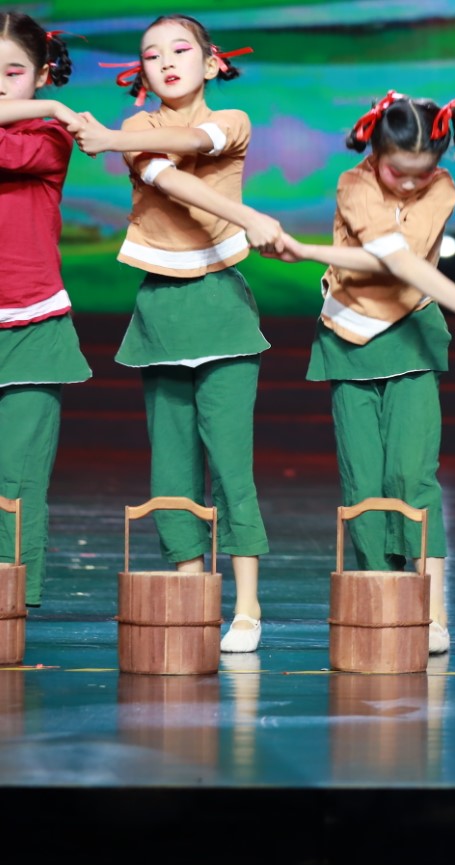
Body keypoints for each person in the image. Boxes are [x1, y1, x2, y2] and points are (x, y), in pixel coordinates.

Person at [264, 91, 455, 655]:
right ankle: (379, 595)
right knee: (363, 480)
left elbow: (399, 262)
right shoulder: (353, 184)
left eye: (420, 174)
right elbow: (382, 255)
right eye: (396, 171)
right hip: (348, 336)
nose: (407, 184)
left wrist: (305, 251)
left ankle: (432, 610)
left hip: (411, 335)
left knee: (412, 476)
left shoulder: (442, 189)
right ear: (374, 152)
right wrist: (311, 254)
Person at [73, 15, 282, 652]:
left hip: (222, 304)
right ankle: (192, 597)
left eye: (181, 49)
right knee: (170, 466)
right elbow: (169, 178)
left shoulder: (233, 119)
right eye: (151, 54)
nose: (166, 61)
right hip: (160, 306)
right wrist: (118, 138)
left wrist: (107, 138)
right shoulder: (137, 130)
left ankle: (247, 606)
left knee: (232, 465)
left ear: (212, 63)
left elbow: (199, 141)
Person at [0, 14, 91, 606]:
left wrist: (53, 113)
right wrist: (55, 104)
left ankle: (9, 601)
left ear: (40, 76)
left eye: (12, 72)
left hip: (31, 322)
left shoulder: (49, 138)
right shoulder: (52, 116)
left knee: (18, 476)